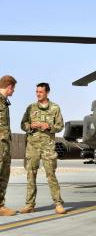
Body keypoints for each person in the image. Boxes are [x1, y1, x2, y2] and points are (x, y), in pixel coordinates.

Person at [20, 83, 66, 214]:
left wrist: (49, 126)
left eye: (40, 92)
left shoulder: (55, 108)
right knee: (30, 175)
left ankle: (58, 203)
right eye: (37, 92)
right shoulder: (31, 107)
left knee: (51, 175)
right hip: (32, 146)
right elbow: (23, 124)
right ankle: (29, 204)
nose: (38, 94)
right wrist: (30, 125)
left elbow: (60, 126)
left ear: (47, 93)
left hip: (48, 147)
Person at [0, 75, 17, 216]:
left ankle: (0, 205)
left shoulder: (4, 101)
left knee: (4, 173)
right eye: (13, 89)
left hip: (4, 143)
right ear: (9, 86)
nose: (14, 92)